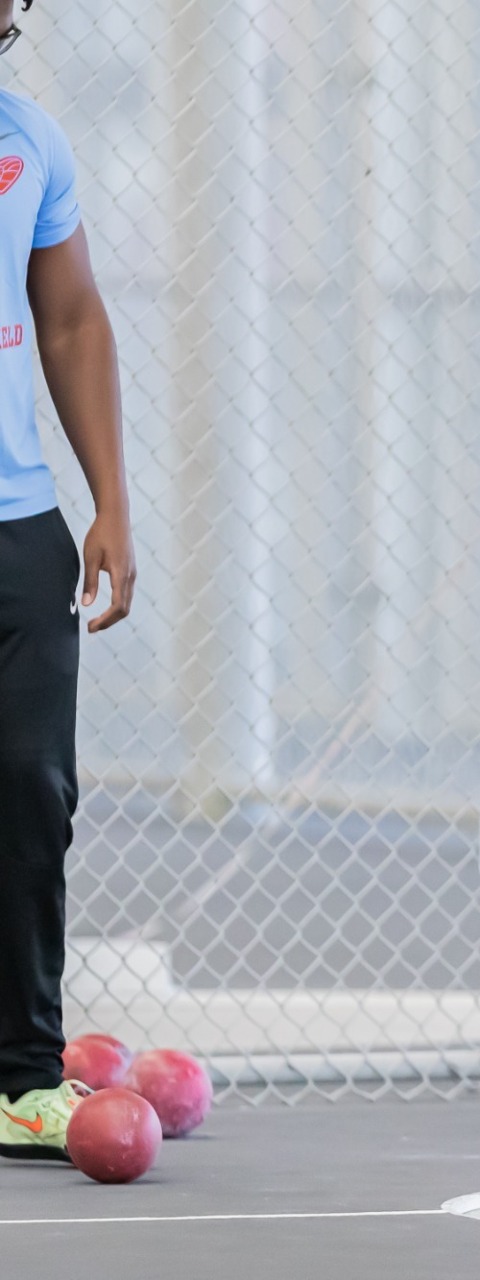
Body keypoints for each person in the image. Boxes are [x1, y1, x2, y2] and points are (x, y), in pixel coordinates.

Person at [0, 0, 138, 1163]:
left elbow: (74, 317)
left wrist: (112, 502)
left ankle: (17, 1074)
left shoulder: (30, 137)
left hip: (18, 528)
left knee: (31, 789)